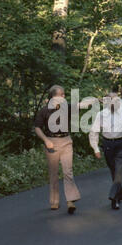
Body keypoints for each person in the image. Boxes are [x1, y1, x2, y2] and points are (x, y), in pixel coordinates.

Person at [34, 85, 81, 214]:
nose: (64, 97)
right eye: (62, 95)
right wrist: (46, 140)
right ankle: (54, 201)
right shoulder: (44, 110)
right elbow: (37, 127)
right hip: (51, 143)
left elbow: (81, 105)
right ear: (55, 96)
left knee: (68, 171)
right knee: (53, 173)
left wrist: (96, 100)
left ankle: (70, 200)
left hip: (66, 141)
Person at [89, 92, 122, 210]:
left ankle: (113, 197)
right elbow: (94, 132)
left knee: (119, 169)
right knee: (113, 170)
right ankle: (120, 194)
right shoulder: (101, 115)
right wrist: (95, 148)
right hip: (108, 144)